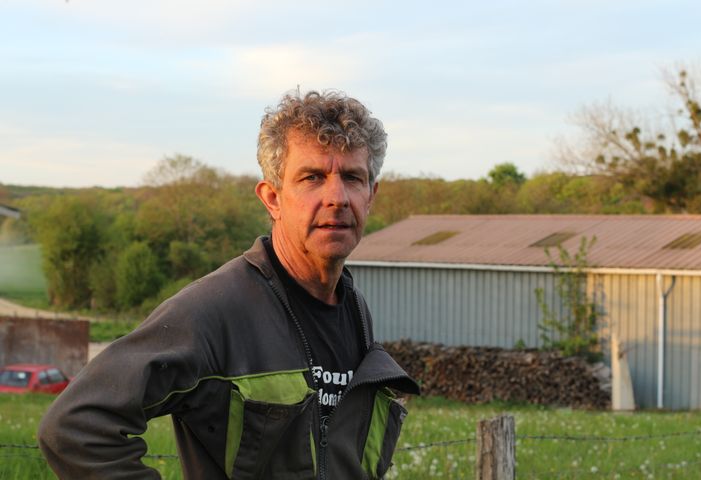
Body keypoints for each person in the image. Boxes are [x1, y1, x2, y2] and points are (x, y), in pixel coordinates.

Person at [38, 90, 419, 479]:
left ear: (370, 196)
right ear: (272, 198)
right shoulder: (213, 310)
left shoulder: (353, 310)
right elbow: (74, 426)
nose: (337, 197)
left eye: (352, 178)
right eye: (312, 177)